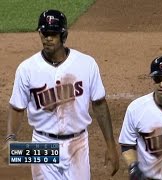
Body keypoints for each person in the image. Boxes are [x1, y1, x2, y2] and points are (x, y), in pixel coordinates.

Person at [3, 9, 119, 179]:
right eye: (44, 33)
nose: (47, 38)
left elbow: (99, 104)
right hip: (43, 145)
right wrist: (10, 138)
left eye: (52, 34)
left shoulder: (86, 64)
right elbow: (17, 107)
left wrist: (111, 146)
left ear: (63, 35)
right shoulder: (26, 69)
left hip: (77, 144)